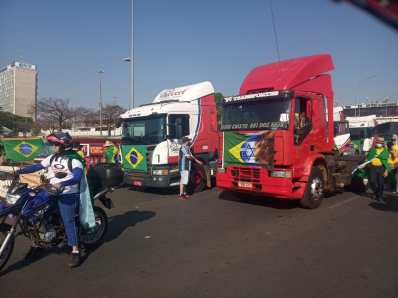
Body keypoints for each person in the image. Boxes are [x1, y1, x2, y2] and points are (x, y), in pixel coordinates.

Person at [17, 132, 84, 267]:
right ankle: (38, 243)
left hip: (68, 194)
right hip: (51, 191)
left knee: (68, 221)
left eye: (55, 145)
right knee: (37, 215)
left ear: (64, 145)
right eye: (53, 144)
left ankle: (75, 250)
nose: (53, 147)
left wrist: (62, 183)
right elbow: (37, 166)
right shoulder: (53, 158)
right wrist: (19, 171)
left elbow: (77, 177)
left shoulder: (74, 160)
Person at [366, 137, 391, 204]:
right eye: (377, 142)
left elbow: (388, 162)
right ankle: (377, 192)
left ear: (382, 143)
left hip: (381, 168)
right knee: (372, 181)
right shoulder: (372, 150)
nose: (379, 144)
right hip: (373, 168)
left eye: (380, 143)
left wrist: (386, 171)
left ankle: (380, 197)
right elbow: (367, 159)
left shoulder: (385, 151)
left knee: (381, 183)